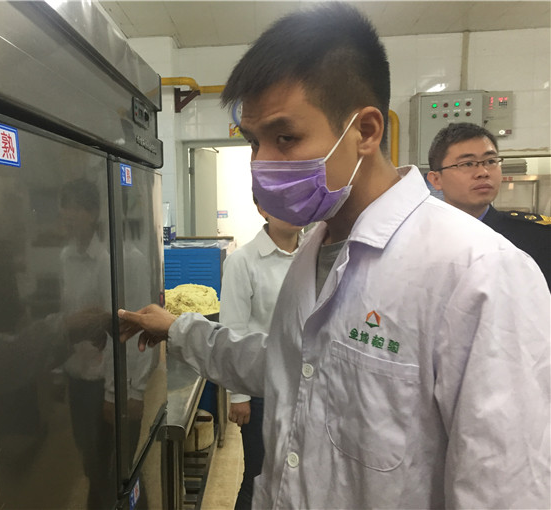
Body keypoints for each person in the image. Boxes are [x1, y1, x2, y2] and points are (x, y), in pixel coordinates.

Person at [118, 3, 550, 509]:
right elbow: (288, 364)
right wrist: (177, 330)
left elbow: (503, 488)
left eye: (286, 138)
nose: (262, 164)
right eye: (255, 142)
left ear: (366, 131)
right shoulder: (313, 249)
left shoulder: (478, 271)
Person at [220, 198, 304, 510]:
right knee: (258, 476)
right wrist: (239, 395)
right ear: (262, 209)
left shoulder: (312, 255)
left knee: (294, 476)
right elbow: (233, 330)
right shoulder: (243, 261)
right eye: (284, 201)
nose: (295, 208)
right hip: (262, 390)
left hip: (303, 387)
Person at [427, 122, 551, 287]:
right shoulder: (421, 241)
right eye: (467, 164)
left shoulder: (538, 238)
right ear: (436, 179)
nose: (483, 172)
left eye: (491, 161)